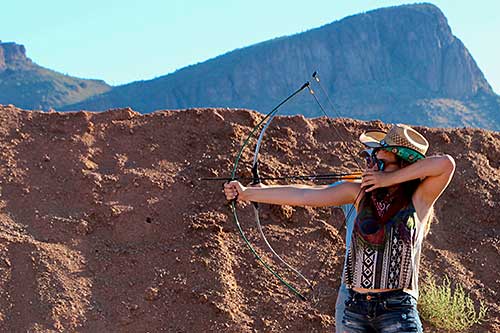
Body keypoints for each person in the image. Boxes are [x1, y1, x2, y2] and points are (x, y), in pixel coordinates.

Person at [224, 124, 456, 333]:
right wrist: (247, 193)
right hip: (354, 309)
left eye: (380, 161)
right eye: (372, 157)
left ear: (403, 165)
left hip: (397, 309)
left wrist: (387, 180)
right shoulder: (358, 193)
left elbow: (446, 164)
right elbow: (304, 194)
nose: (372, 164)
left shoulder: (419, 199)